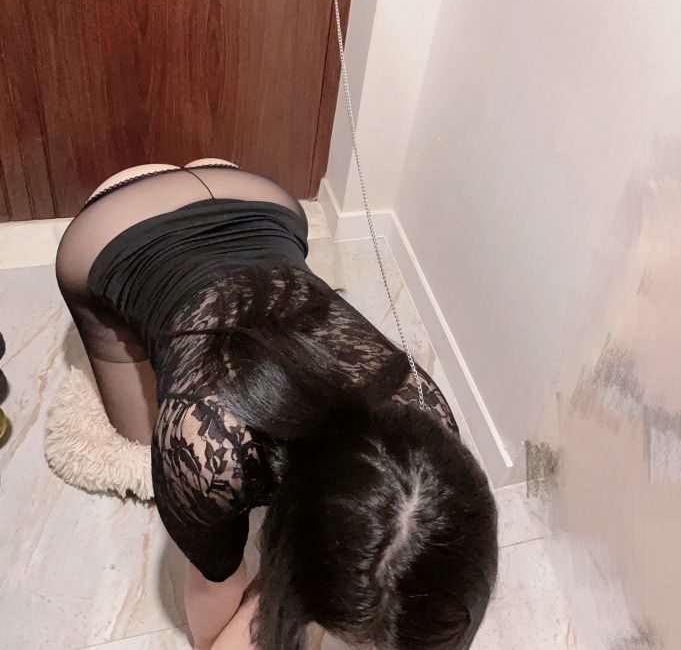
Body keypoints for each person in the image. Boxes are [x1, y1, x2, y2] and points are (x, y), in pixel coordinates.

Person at [55, 159, 498, 650]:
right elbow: (214, 598)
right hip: (116, 225)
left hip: (262, 202)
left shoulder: (431, 430)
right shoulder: (204, 445)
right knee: (137, 440)